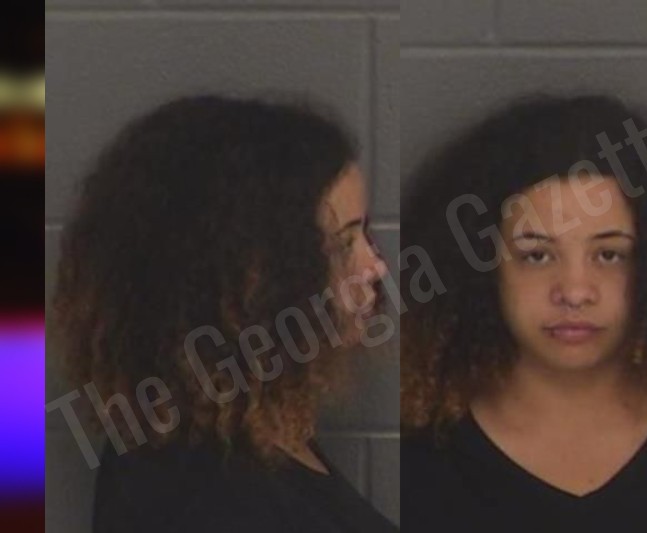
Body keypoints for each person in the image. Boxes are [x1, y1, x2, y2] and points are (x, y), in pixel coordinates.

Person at [400, 95, 647, 532]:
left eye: (609, 254)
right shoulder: (419, 461)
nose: (574, 292)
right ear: (482, 272)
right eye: (536, 256)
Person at [52, 95, 397, 532]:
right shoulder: (202, 499)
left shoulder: (252, 428)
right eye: (342, 244)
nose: (375, 266)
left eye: (364, 233)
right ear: (249, 278)